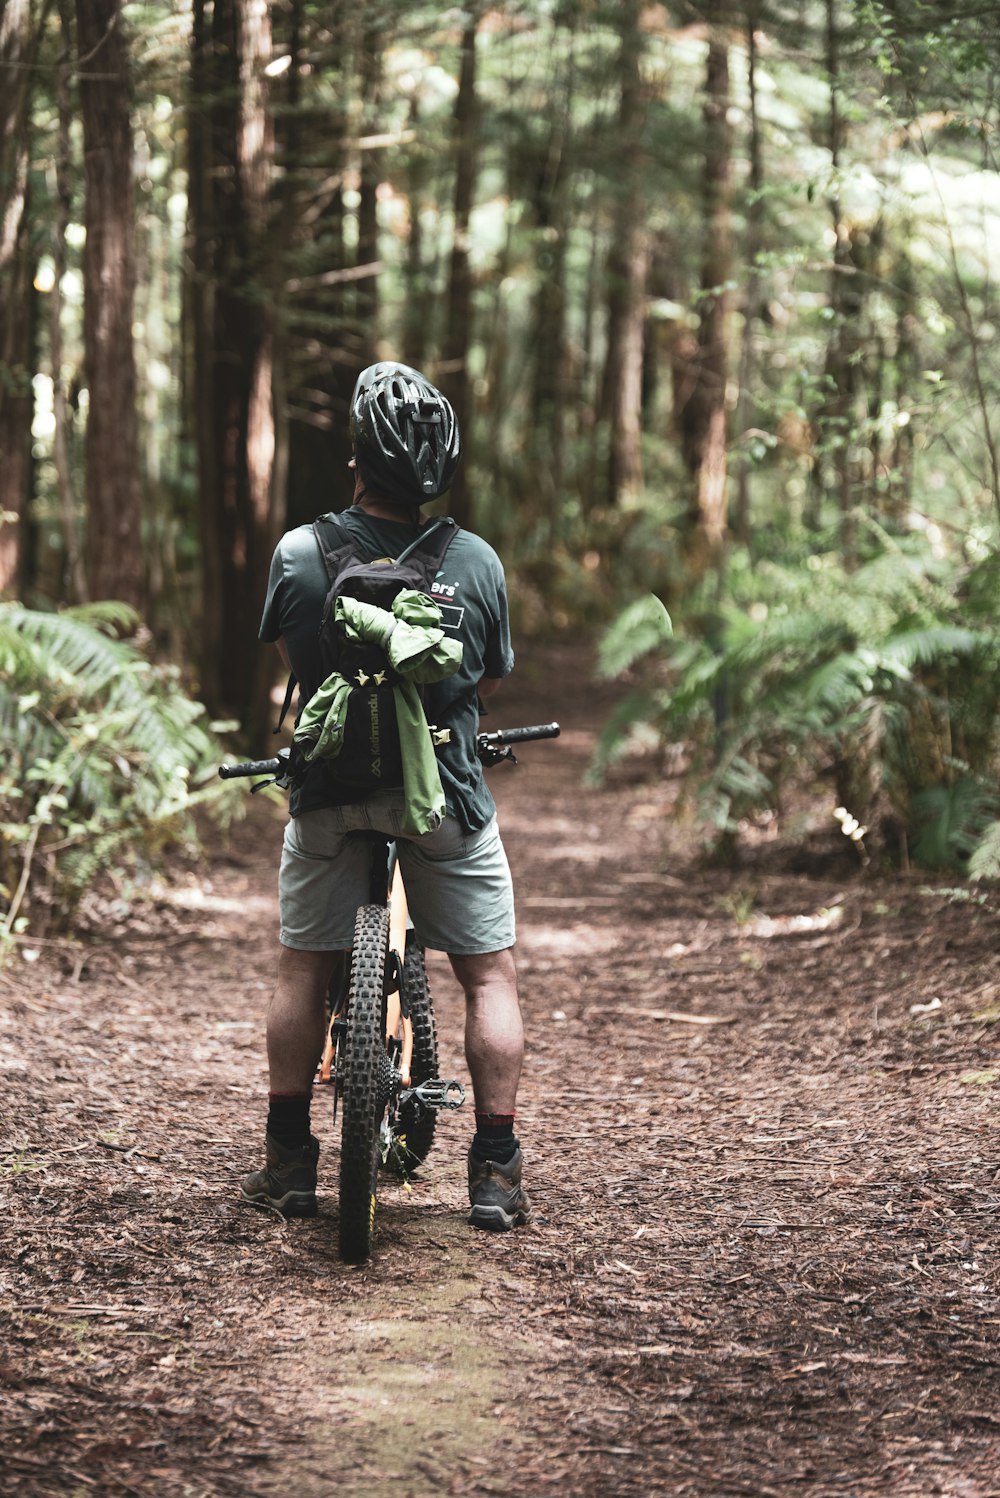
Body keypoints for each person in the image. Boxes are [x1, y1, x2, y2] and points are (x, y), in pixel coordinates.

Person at [240, 361, 531, 1232]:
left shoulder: (301, 553)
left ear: (358, 460)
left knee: (302, 963)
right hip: (440, 797)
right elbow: (484, 681)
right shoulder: (472, 562)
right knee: (488, 974)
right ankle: (496, 1170)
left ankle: (290, 1159)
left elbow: (297, 667)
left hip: (330, 797)